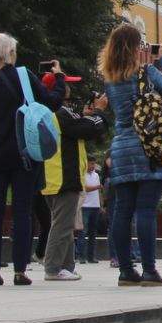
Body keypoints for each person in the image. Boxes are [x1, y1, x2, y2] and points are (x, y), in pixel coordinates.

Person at [0, 32, 60, 286]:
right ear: (10, 53)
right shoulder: (23, 77)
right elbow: (51, 103)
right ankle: (20, 271)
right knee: (22, 211)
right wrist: (59, 79)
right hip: (22, 156)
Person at [92, 23, 162, 287]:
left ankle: (126, 271)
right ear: (135, 47)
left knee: (122, 212)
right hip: (148, 148)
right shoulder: (147, 72)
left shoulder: (110, 80)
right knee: (145, 211)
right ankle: (150, 271)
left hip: (121, 150)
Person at [39, 67, 102, 281]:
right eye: (66, 83)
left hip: (51, 177)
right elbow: (87, 129)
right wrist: (99, 113)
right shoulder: (61, 112)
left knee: (63, 224)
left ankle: (66, 266)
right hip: (64, 178)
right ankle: (53, 268)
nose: (68, 87)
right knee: (62, 225)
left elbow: (76, 127)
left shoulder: (47, 112)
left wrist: (85, 115)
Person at [78, 161, 103, 266]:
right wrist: (98, 187)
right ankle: (81, 257)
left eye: (94, 164)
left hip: (95, 206)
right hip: (85, 206)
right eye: (91, 164)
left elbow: (99, 192)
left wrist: (101, 205)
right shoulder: (82, 174)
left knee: (93, 233)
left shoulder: (96, 175)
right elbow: (85, 189)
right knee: (83, 232)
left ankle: (91, 256)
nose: (93, 166)